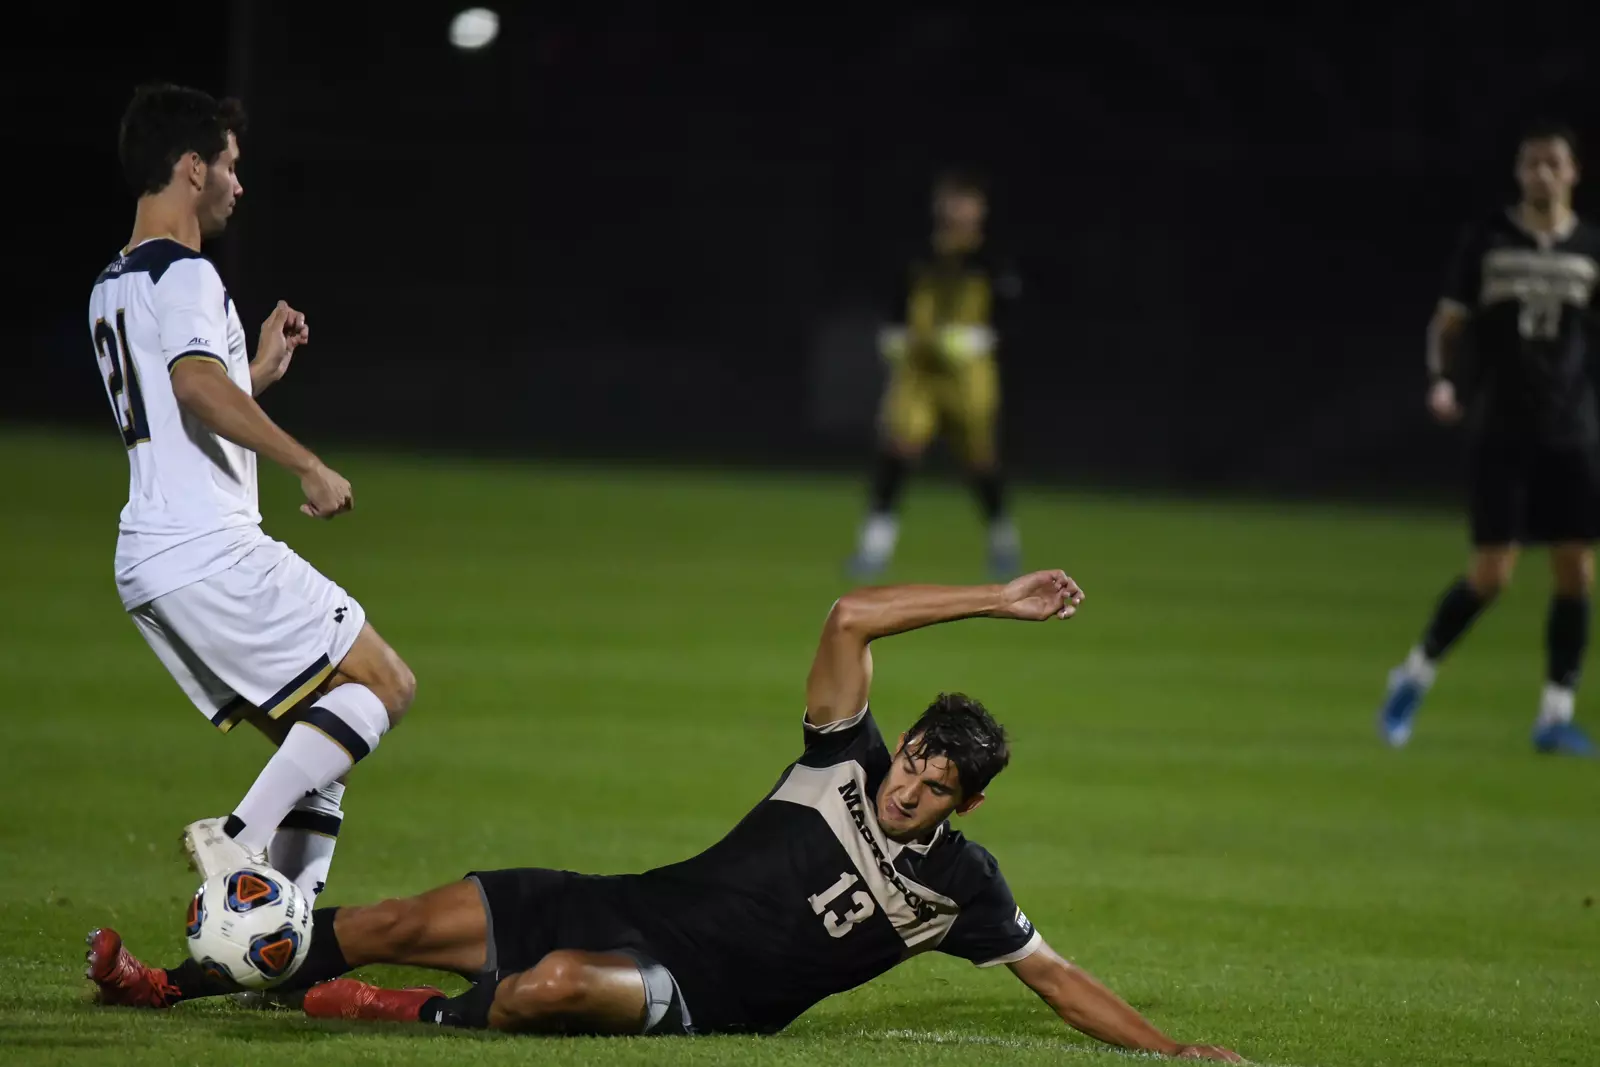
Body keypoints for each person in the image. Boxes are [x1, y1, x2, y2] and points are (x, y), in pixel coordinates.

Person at [87, 572, 1241, 1061]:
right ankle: (169, 982)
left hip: (693, 995)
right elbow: (849, 616)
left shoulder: (963, 887)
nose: (907, 784)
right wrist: (997, 598)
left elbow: (1055, 974)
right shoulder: (843, 755)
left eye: (934, 783)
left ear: (964, 802)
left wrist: (1169, 1048)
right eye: (916, 759)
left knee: (546, 992)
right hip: (619, 900)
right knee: (391, 911)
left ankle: (375, 1011)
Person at [88, 82, 418, 905]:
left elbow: (183, 404)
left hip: (154, 559)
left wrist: (256, 374)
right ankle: (234, 841)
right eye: (232, 165)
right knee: (381, 684)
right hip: (208, 548)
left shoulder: (112, 284)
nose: (241, 183)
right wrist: (305, 462)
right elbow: (197, 388)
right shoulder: (188, 273)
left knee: (319, 757)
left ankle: (284, 944)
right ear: (192, 168)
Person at [1378, 120, 1599, 756]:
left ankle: (1555, 715)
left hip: (1572, 431)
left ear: (1573, 172)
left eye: (1554, 163)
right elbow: (1448, 322)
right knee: (1492, 575)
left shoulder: (1589, 248)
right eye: (1532, 164)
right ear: (1519, 173)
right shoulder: (1489, 242)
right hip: (1504, 426)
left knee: (1576, 571)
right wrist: (1444, 380)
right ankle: (1413, 676)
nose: (1542, 174)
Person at [848, 169, 1025, 581]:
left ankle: (1003, 540)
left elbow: (1012, 313)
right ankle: (874, 547)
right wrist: (893, 335)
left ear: (981, 209)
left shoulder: (992, 257)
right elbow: (896, 297)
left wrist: (980, 339)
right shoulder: (918, 252)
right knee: (899, 447)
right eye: (952, 200)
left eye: (967, 201)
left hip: (969, 373)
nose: (959, 210)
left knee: (980, 460)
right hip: (921, 368)